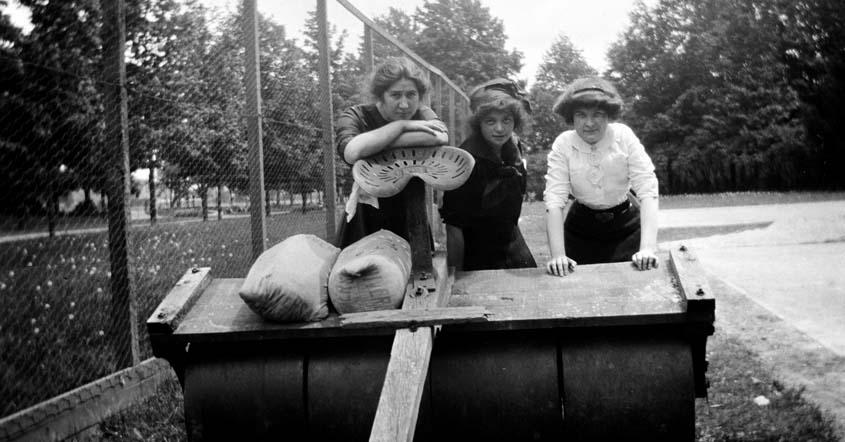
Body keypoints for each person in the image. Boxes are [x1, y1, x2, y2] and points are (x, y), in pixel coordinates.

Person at [543, 76, 659, 276]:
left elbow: (648, 190)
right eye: (581, 115)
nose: (589, 123)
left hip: (627, 229)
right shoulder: (563, 144)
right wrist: (558, 255)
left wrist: (647, 248)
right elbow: (554, 201)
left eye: (597, 114)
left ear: (608, 115)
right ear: (572, 117)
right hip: (580, 232)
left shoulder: (623, 136)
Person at [335, 57, 448, 247]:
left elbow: (439, 137)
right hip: (367, 218)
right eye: (395, 95)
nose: (404, 104)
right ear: (381, 95)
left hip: (413, 215)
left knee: (419, 275)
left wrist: (376, 144)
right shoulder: (356, 115)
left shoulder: (423, 113)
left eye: (411, 95)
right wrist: (402, 125)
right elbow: (352, 151)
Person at [440, 78, 537, 271]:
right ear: (479, 123)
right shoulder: (464, 162)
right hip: (478, 255)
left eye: (506, 120)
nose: (500, 129)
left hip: (513, 245)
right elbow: (454, 228)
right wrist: (456, 276)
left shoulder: (513, 147)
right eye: (491, 121)